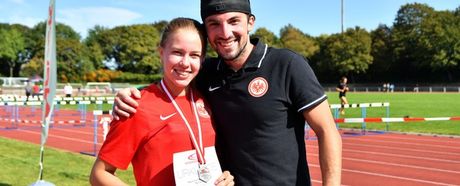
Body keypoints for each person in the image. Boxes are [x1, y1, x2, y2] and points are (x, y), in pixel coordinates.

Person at [112, 0, 342, 185]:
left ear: (250, 22)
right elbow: (170, 82)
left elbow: (327, 131)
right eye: (214, 24)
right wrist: (131, 95)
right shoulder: (207, 72)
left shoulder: (286, 65)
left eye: (234, 21)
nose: (225, 32)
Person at [89, 17, 234, 186]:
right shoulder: (136, 105)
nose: (185, 63)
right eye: (177, 52)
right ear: (161, 52)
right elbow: (99, 174)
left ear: (202, 60)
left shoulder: (206, 100)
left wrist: (224, 179)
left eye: (194, 55)